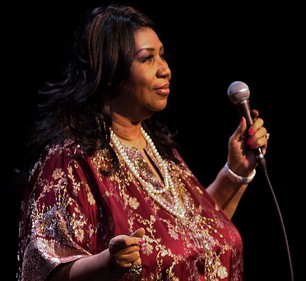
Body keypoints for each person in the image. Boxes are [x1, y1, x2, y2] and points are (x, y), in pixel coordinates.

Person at [17, 3, 269, 281]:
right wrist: (107, 264)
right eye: (148, 59)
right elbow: (43, 270)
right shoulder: (70, 161)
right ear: (111, 71)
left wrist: (235, 173)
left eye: (163, 56)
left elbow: (198, 236)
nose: (166, 70)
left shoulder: (162, 153)